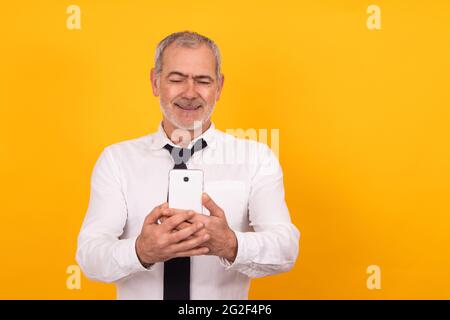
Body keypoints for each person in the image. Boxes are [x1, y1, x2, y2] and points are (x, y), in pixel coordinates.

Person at [76, 31, 300, 300]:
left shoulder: (256, 159)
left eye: (203, 80)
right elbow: (89, 256)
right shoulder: (116, 160)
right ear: (155, 82)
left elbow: (286, 248)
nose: (190, 93)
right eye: (177, 79)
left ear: (219, 87)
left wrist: (231, 244)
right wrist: (140, 251)